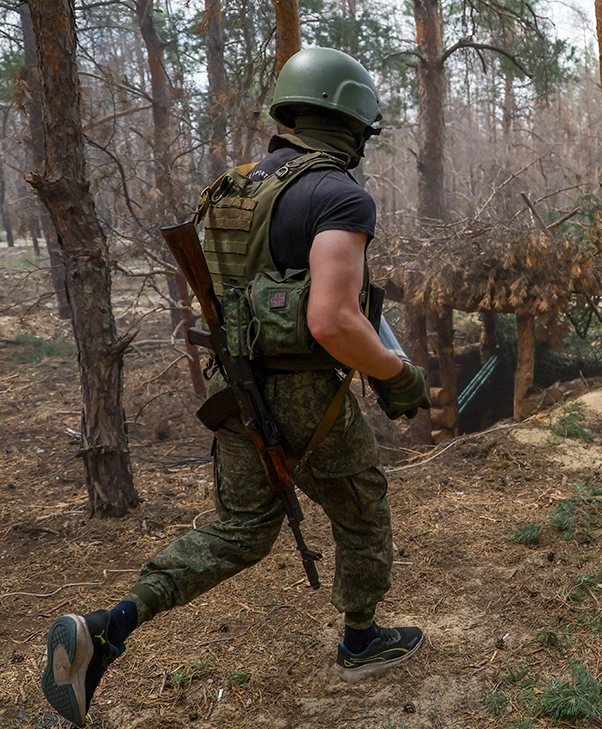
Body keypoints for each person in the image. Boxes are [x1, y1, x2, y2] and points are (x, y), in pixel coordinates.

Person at [41, 47, 430, 728]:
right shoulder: (339, 195)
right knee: (362, 509)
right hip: (306, 394)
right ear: (349, 122)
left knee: (240, 531)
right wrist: (397, 374)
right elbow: (332, 319)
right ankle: (362, 639)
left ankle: (107, 627)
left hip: (239, 390)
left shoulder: (230, 188)